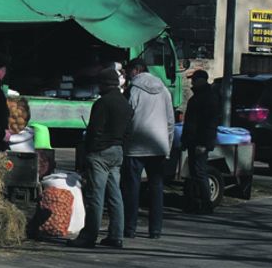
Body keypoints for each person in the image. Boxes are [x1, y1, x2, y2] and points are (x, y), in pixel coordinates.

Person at [68, 67, 132, 249]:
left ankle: (89, 236)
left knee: (96, 196)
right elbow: (128, 131)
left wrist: (88, 152)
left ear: (104, 84)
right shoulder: (125, 104)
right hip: (117, 151)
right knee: (115, 195)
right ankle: (116, 235)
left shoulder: (102, 103)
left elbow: (94, 131)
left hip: (100, 153)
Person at [121, 58, 175, 239]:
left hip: (136, 145)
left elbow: (127, 118)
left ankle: (130, 228)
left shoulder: (133, 90)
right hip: (158, 146)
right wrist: (167, 145)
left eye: (128, 72)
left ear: (135, 70)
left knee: (132, 189)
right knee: (157, 188)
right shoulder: (164, 90)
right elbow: (170, 121)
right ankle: (156, 230)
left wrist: (124, 140)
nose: (127, 75)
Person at [181, 70, 221, 213]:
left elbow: (209, 124)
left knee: (199, 172)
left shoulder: (207, 98)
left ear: (202, 80)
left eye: (194, 79)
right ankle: (195, 203)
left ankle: (206, 204)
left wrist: (204, 144)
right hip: (194, 141)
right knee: (195, 173)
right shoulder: (199, 97)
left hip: (199, 142)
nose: (192, 82)